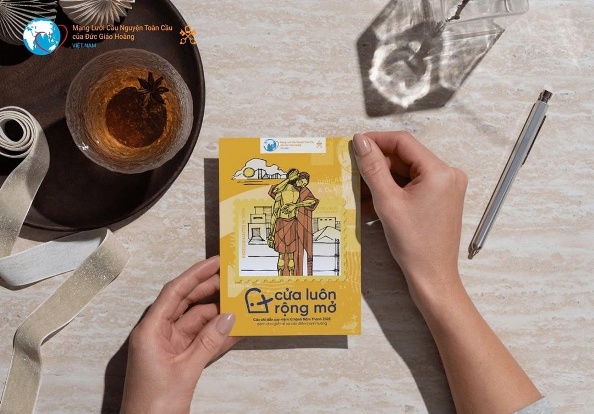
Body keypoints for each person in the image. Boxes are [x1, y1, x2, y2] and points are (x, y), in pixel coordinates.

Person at [120, 132, 552, 413]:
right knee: (286, 254)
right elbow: (276, 197)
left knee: (298, 254)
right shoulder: (283, 190)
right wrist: (439, 281)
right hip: (286, 227)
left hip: (301, 227)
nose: (295, 181)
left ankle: (294, 272)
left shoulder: (302, 191)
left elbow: (306, 202)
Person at [267, 168, 319, 276]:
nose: (302, 185)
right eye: (302, 182)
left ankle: (291, 277)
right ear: (296, 179)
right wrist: (271, 235)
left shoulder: (301, 191)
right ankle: (281, 277)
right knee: (282, 256)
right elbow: (274, 211)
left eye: (304, 184)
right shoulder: (283, 191)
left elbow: (312, 201)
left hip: (292, 224)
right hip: (281, 224)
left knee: (290, 256)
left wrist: (295, 205)